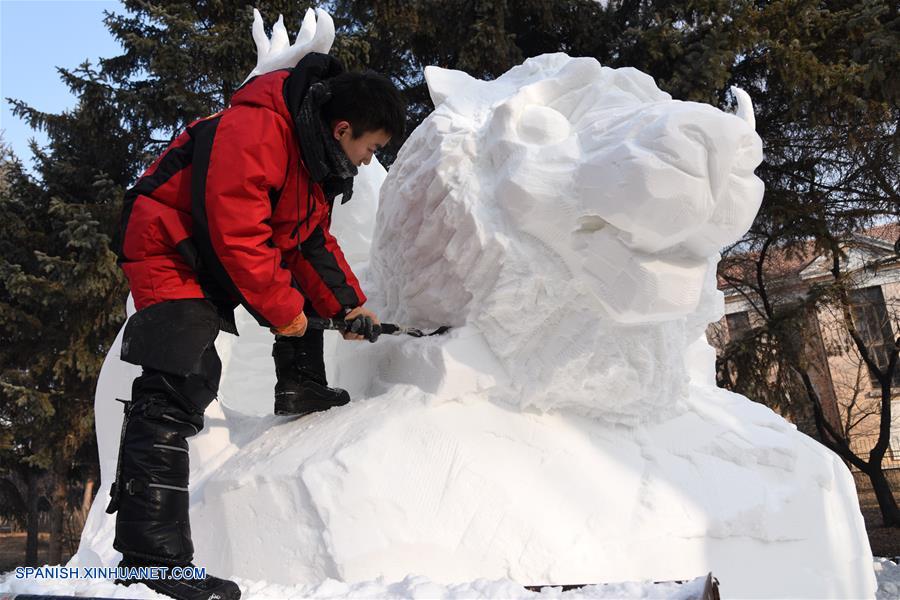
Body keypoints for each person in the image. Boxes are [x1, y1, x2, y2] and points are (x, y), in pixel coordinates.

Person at [106, 52, 406, 600]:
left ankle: (300, 386)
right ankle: (150, 558)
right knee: (182, 376)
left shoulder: (318, 161)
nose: (369, 160)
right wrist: (283, 310)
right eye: (372, 148)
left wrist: (349, 308)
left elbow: (308, 244)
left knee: (294, 297)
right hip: (166, 240)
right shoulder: (260, 128)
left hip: (212, 249)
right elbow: (239, 233)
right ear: (343, 129)